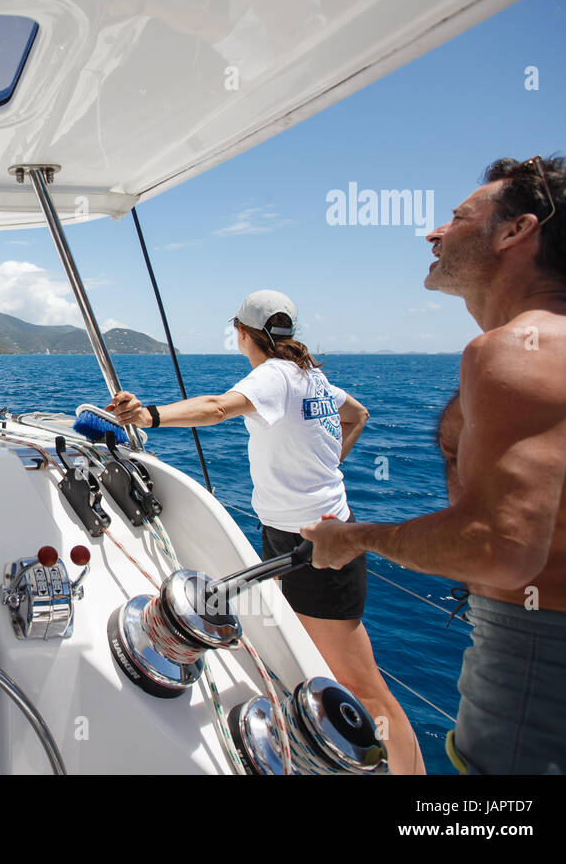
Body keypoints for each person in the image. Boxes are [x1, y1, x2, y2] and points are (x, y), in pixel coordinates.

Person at [302, 155, 566, 774]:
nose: (433, 233)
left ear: (515, 233)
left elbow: (502, 547)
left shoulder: (513, 352)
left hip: (541, 667)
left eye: (458, 218)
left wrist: (352, 538)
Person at [106, 290, 425, 774]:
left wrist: (149, 415)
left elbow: (217, 408)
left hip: (318, 545)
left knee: (361, 684)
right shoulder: (310, 375)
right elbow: (356, 415)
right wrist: (326, 467)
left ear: (241, 331)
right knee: (315, 658)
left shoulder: (274, 376)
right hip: (306, 533)